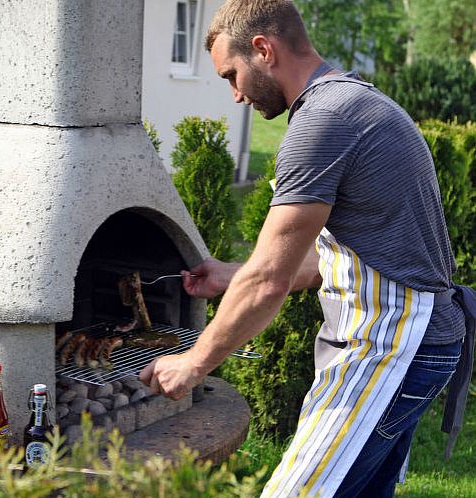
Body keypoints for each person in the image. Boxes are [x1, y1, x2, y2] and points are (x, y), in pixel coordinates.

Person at [139, 1, 475, 496]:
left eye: (232, 75)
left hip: (393, 345)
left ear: (263, 50)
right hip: (415, 339)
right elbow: (334, 260)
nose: (234, 95)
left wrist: (194, 362)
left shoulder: (324, 121)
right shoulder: (353, 102)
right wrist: (229, 274)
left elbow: (270, 280)